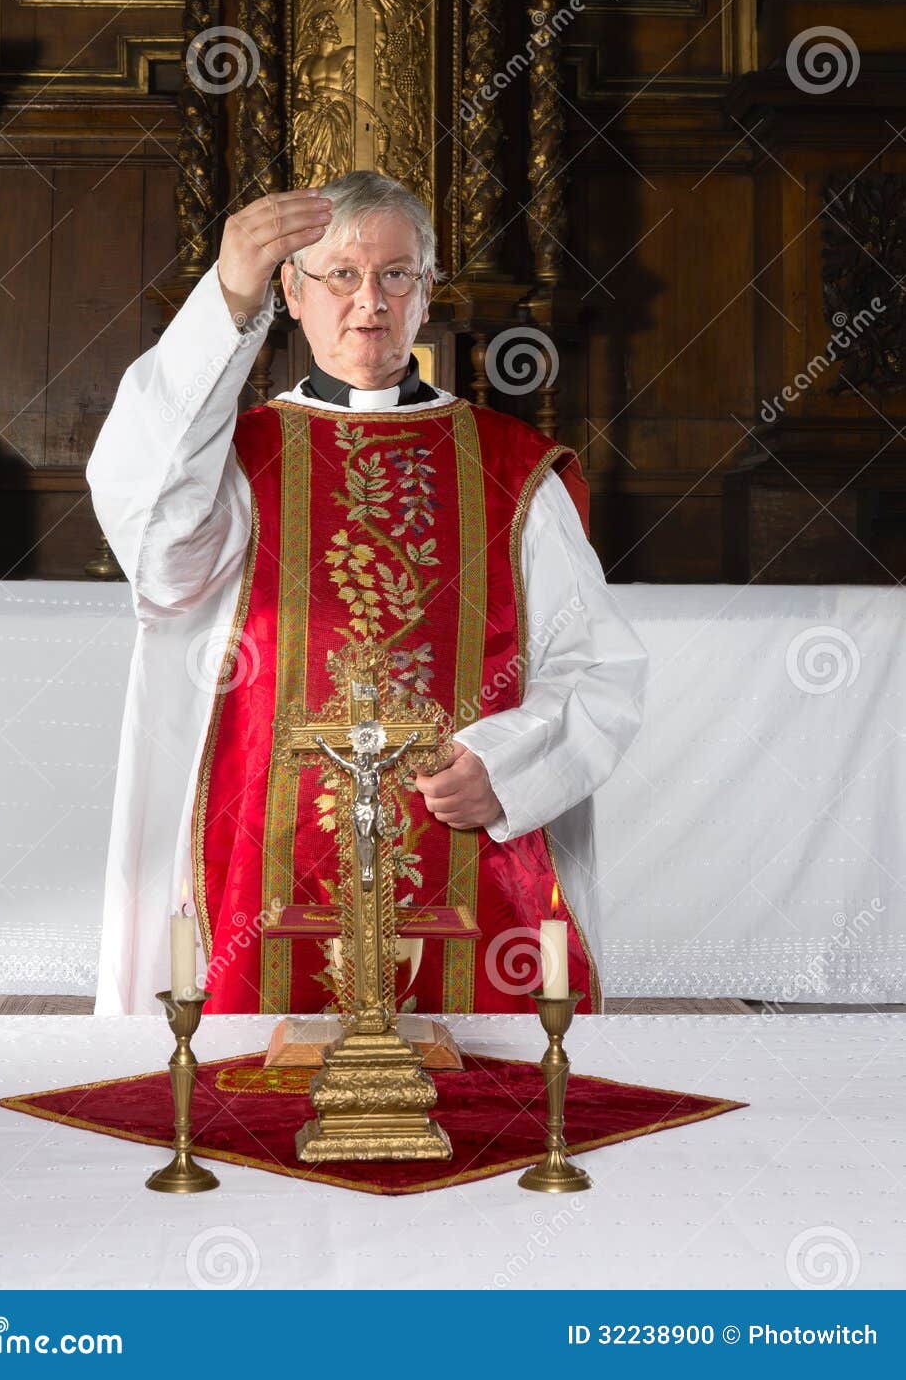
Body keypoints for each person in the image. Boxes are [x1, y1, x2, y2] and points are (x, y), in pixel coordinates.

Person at [86, 170, 648, 1016]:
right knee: (260, 1108)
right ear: (291, 290)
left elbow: (596, 666)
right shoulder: (232, 463)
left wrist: (507, 765)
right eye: (339, 275)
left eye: (396, 274)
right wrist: (222, 306)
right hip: (263, 857)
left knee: (484, 1115)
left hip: (467, 847)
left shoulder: (508, 469)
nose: (369, 302)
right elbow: (159, 549)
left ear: (427, 291)